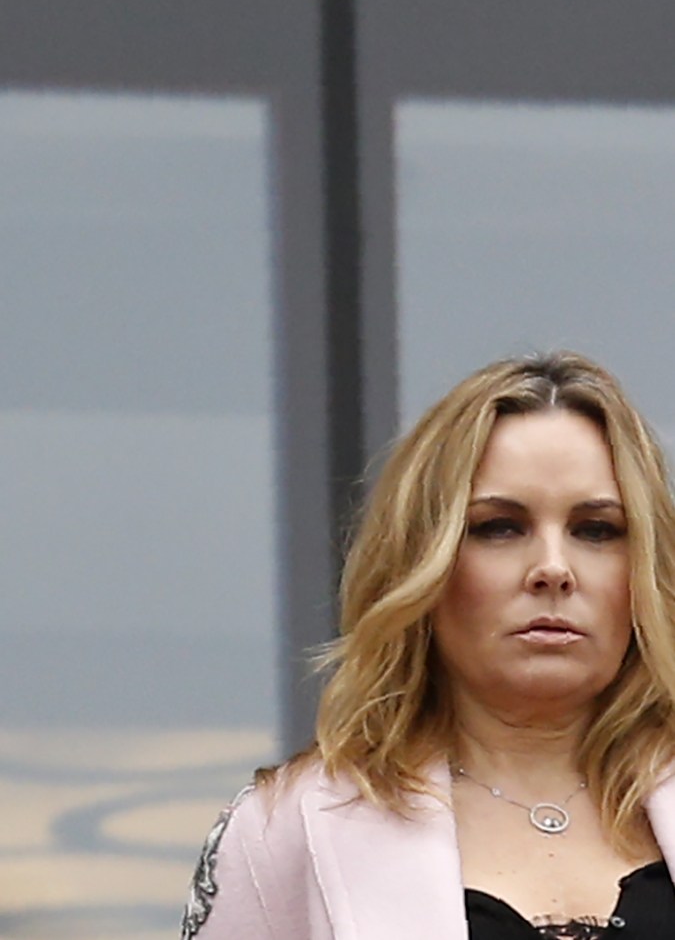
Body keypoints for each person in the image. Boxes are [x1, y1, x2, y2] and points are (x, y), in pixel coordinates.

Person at [181, 350, 675, 939]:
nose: (552, 568)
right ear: (424, 563)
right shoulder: (289, 831)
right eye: (498, 527)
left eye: (596, 530)